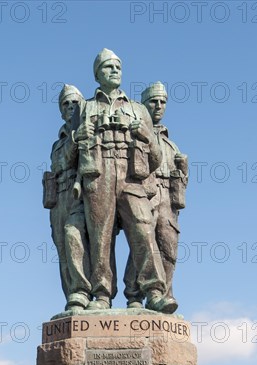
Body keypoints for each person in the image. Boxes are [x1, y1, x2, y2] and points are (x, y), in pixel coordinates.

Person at [72, 49, 176, 313]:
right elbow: (69, 155)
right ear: (97, 74)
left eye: (118, 66)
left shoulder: (138, 109)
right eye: (107, 67)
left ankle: (153, 291)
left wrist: (144, 133)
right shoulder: (85, 107)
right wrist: (79, 137)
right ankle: (102, 295)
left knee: (143, 229)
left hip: (131, 176)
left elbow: (156, 156)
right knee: (100, 237)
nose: (114, 70)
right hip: (98, 174)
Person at [124, 82, 188, 311]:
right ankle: (134, 294)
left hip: (168, 200)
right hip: (145, 192)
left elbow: (181, 182)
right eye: (154, 101)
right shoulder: (135, 133)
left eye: (163, 101)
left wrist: (183, 172)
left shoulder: (171, 145)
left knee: (168, 248)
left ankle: (164, 296)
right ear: (143, 104)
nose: (159, 106)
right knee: (142, 243)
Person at [44, 84, 92, 313]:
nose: (71, 107)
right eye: (66, 103)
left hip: (81, 195)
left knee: (75, 238)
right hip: (59, 199)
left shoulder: (90, 130)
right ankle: (73, 297)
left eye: (75, 102)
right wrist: (74, 141)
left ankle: (84, 291)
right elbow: (60, 163)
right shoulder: (59, 142)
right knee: (63, 250)